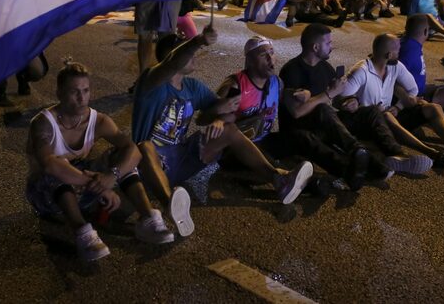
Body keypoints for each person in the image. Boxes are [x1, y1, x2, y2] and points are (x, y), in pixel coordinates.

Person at [132, 26, 313, 237]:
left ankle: (277, 180)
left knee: (228, 129)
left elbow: (219, 108)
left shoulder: (192, 86)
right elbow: (173, 62)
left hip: (180, 159)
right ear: (171, 56)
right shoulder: (150, 82)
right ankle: (170, 204)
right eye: (185, 50)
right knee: (143, 147)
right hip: (148, 165)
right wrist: (197, 41)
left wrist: (219, 117)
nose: (194, 55)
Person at [26, 61, 174, 262]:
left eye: (85, 91)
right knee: (56, 169)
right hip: (47, 197)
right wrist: (98, 185)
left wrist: (110, 177)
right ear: (59, 93)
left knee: (120, 154)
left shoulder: (98, 120)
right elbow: (49, 164)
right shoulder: (44, 123)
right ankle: (82, 232)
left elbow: (134, 151)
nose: (81, 98)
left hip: (85, 188)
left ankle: (148, 218)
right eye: (74, 92)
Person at [279, 24, 391, 190]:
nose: (332, 47)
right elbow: (296, 112)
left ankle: (380, 156)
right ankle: (359, 156)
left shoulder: (326, 68)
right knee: (323, 110)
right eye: (328, 43)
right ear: (315, 47)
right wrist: (329, 94)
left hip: (323, 123)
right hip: (300, 129)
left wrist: (349, 102)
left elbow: (337, 99)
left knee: (369, 112)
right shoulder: (292, 70)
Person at [342, 34, 444, 159]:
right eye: (397, 49)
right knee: (387, 116)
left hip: (390, 117)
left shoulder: (395, 66)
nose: (400, 51)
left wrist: (398, 107)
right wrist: (353, 101)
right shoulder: (361, 71)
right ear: (388, 55)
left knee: (432, 107)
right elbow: (340, 97)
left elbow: (413, 89)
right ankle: (429, 150)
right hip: (371, 124)